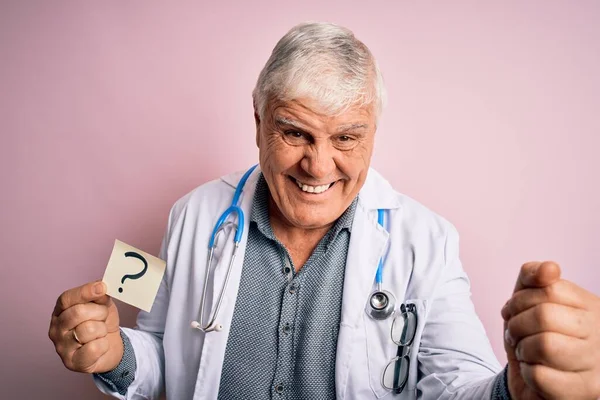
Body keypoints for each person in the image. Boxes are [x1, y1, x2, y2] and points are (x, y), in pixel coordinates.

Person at [48, 22, 600, 400]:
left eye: (346, 138)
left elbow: (460, 383)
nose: (319, 165)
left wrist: (512, 390)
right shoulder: (191, 215)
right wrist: (113, 352)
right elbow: (162, 350)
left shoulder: (426, 240)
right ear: (259, 122)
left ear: (374, 134)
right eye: (295, 133)